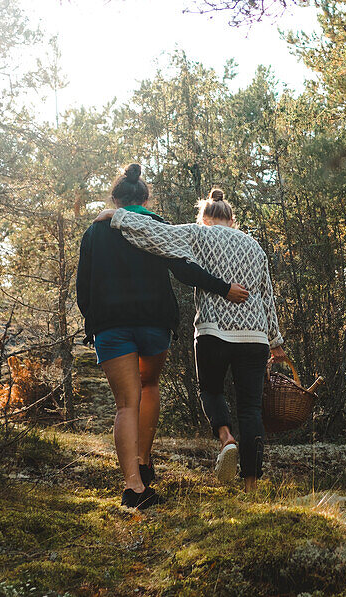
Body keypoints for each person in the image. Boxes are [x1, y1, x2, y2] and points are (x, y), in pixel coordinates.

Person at [76, 164, 250, 509]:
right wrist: (224, 288)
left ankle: (134, 487)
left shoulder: (94, 233)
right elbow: (185, 270)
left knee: (126, 403)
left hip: (111, 326)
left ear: (115, 198)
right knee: (149, 385)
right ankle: (143, 458)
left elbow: (83, 287)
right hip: (153, 322)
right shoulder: (157, 226)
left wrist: (92, 324)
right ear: (145, 197)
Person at [95, 188, 285, 494]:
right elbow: (267, 296)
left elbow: (156, 234)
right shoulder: (254, 246)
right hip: (255, 336)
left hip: (214, 332)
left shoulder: (199, 234)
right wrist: (275, 341)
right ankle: (251, 486)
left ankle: (226, 438)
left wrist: (117, 217)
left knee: (210, 391)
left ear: (204, 217)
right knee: (250, 409)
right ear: (232, 218)